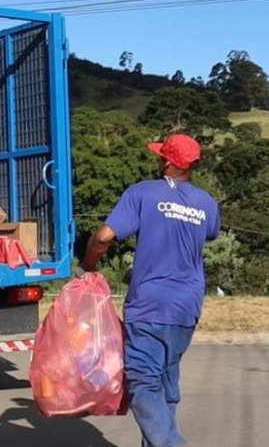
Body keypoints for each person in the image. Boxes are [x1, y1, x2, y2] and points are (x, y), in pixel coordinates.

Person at [83, 133, 220, 447]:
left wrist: (90, 263)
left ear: (168, 161)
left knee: (144, 383)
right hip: (187, 305)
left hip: (149, 304)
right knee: (166, 382)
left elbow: (104, 236)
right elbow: (210, 233)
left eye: (161, 156)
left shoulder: (143, 193)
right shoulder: (207, 202)